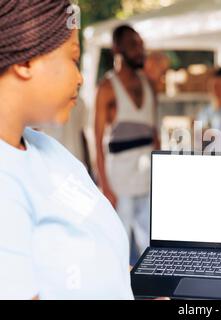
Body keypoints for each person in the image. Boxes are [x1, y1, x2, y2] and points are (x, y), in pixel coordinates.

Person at [0, 0, 133, 299]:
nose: (81, 76)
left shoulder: (47, 149)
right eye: (73, 58)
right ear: (24, 61)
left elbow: (97, 256)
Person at [95, 25, 158, 257]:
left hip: (148, 182)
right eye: (133, 45)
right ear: (117, 49)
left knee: (152, 250)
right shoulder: (107, 88)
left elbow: (155, 135)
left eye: (141, 44)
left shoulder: (149, 85)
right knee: (118, 249)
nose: (140, 50)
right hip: (119, 184)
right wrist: (105, 187)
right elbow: (97, 141)